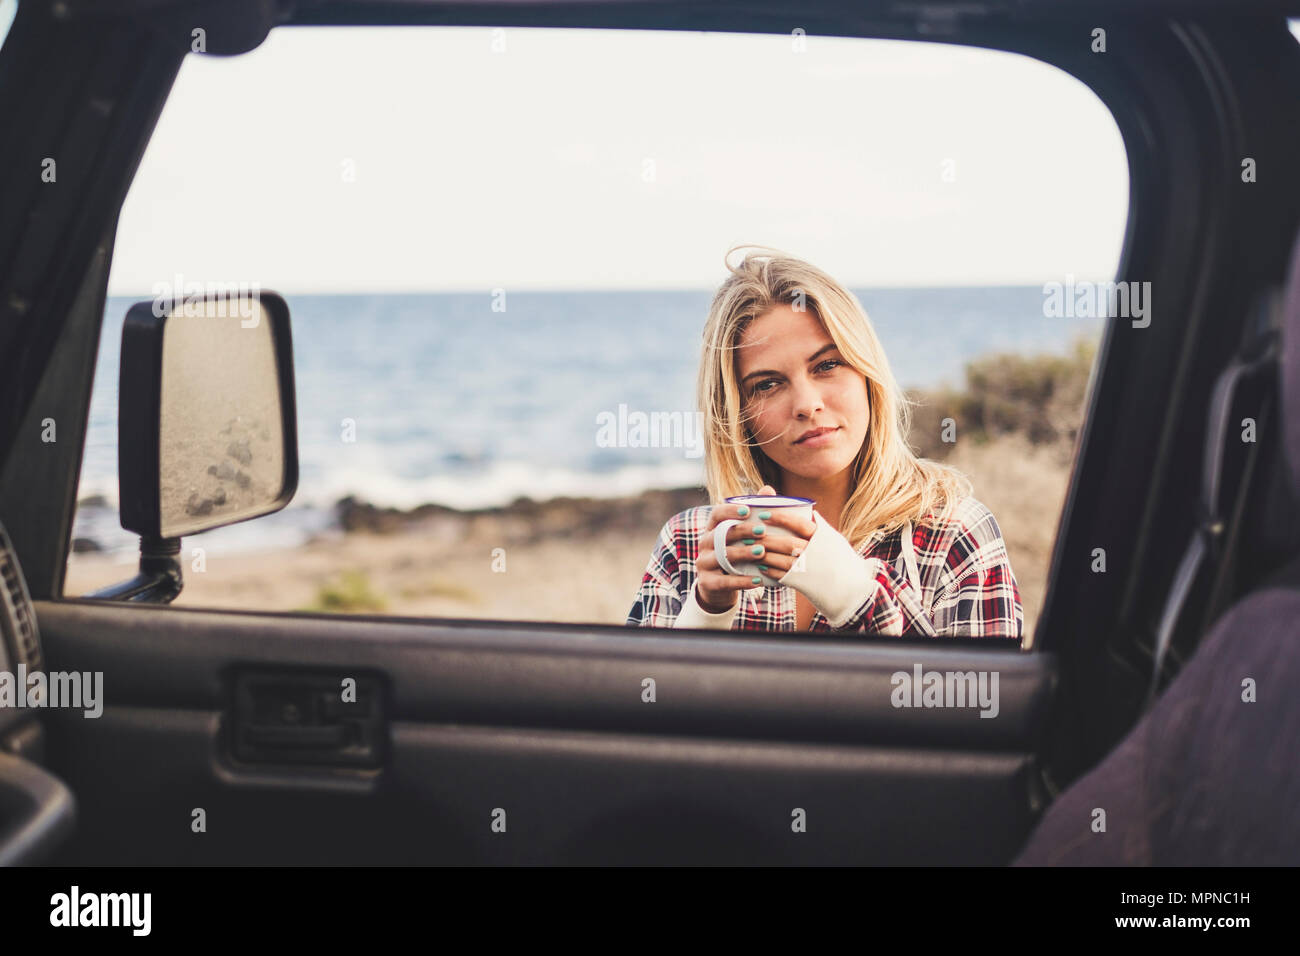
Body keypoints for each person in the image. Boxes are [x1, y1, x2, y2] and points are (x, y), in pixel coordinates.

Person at [625, 246, 1023, 637]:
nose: (807, 405)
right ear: (736, 412)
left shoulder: (952, 535)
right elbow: (641, 698)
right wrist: (707, 614)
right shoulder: (689, 546)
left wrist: (851, 594)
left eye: (828, 365)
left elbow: (974, 699)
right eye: (767, 384)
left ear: (868, 373)